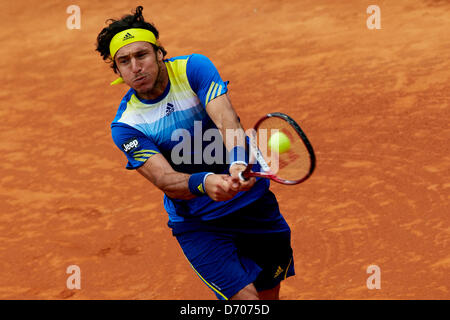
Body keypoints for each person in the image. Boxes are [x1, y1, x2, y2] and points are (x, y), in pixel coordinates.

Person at [96, 6, 294, 300]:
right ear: (117, 71)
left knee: (268, 296)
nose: (135, 67)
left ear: (159, 53)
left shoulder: (193, 69)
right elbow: (164, 178)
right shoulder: (127, 126)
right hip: (201, 223)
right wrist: (206, 183)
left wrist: (238, 161)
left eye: (142, 55)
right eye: (124, 61)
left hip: (254, 205)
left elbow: (227, 119)